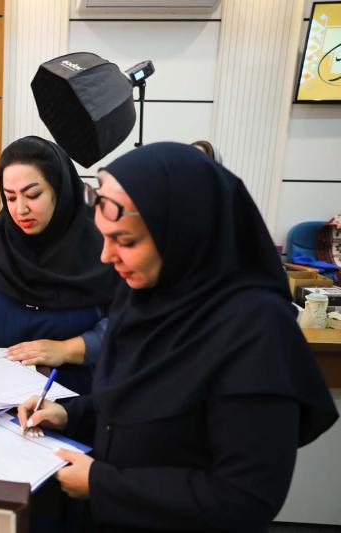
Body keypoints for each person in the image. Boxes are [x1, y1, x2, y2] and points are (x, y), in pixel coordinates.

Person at [19, 142, 338, 532]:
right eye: (105, 237)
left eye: (126, 241)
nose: (106, 256)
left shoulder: (256, 332)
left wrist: (102, 485)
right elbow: (134, 401)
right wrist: (71, 414)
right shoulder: (146, 294)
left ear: (184, 233)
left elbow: (245, 498)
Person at [0, 136, 118, 394]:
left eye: (32, 195)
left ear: (60, 190)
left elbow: (127, 321)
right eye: (10, 197)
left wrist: (66, 350)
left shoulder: (104, 247)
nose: (20, 209)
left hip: (77, 399)